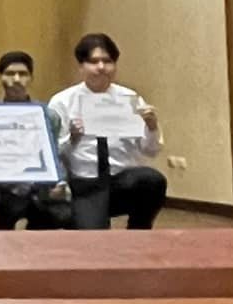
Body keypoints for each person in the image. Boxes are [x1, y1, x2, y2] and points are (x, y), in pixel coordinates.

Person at [49, 33, 166, 229]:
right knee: (94, 237)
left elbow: (151, 151)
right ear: (81, 66)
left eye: (108, 61)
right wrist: (72, 137)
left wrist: (152, 127)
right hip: (84, 183)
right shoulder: (62, 102)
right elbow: (52, 154)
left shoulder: (129, 98)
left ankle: (139, 232)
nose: (101, 67)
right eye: (94, 61)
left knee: (152, 180)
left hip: (121, 181)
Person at [0, 51, 71, 230]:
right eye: (9, 73)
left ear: (31, 78)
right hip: (1, 184)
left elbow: (53, 153)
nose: (16, 79)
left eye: (23, 74)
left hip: (38, 183)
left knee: (63, 213)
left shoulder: (49, 115)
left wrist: (60, 182)